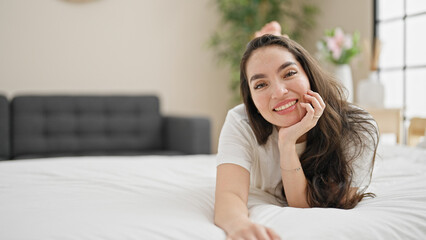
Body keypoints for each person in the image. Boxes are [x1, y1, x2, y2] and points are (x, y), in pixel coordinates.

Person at [214, 22, 379, 240]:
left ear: (309, 74)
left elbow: (303, 205)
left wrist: (287, 144)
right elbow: (230, 194)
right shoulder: (241, 120)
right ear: (251, 100)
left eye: (289, 73)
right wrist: (238, 225)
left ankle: (272, 39)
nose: (279, 92)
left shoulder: (357, 126)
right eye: (261, 85)